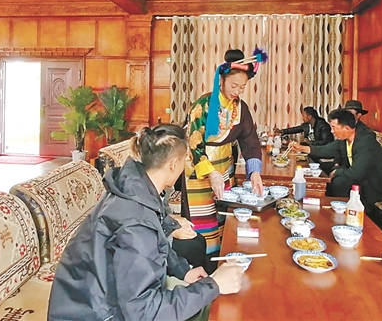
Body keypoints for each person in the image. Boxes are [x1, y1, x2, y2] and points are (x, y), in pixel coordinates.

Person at [48, 124, 244, 321]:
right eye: (186, 160)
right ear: (173, 164)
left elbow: (156, 244)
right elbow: (144, 311)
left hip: (100, 299)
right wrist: (213, 285)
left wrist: (183, 270)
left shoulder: (135, 187)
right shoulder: (136, 221)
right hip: (94, 313)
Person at [184, 48, 266, 256]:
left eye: (242, 87)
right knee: (202, 223)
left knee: (223, 218)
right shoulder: (203, 105)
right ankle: (202, 262)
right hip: (199, 169)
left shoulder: (241, 108)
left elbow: (250, 141)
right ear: (221, 80)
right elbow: (194, 143)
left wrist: (255, 172)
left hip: (225, 169)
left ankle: (221, 259)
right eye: (233, 85)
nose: (237, 91)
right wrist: (211, 173)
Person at [291, 108, 382, 217]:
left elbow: (356, 173)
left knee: (339, 182)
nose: (332, 131)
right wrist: (302, 148)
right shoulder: (344, 140)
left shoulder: (365, 142)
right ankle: (334, 209)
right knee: (330, 174)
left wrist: (337, 172)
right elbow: (326, 150)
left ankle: (345, 213)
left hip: (377, 185)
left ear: (346, 128)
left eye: (334, 127)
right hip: (363, 180)